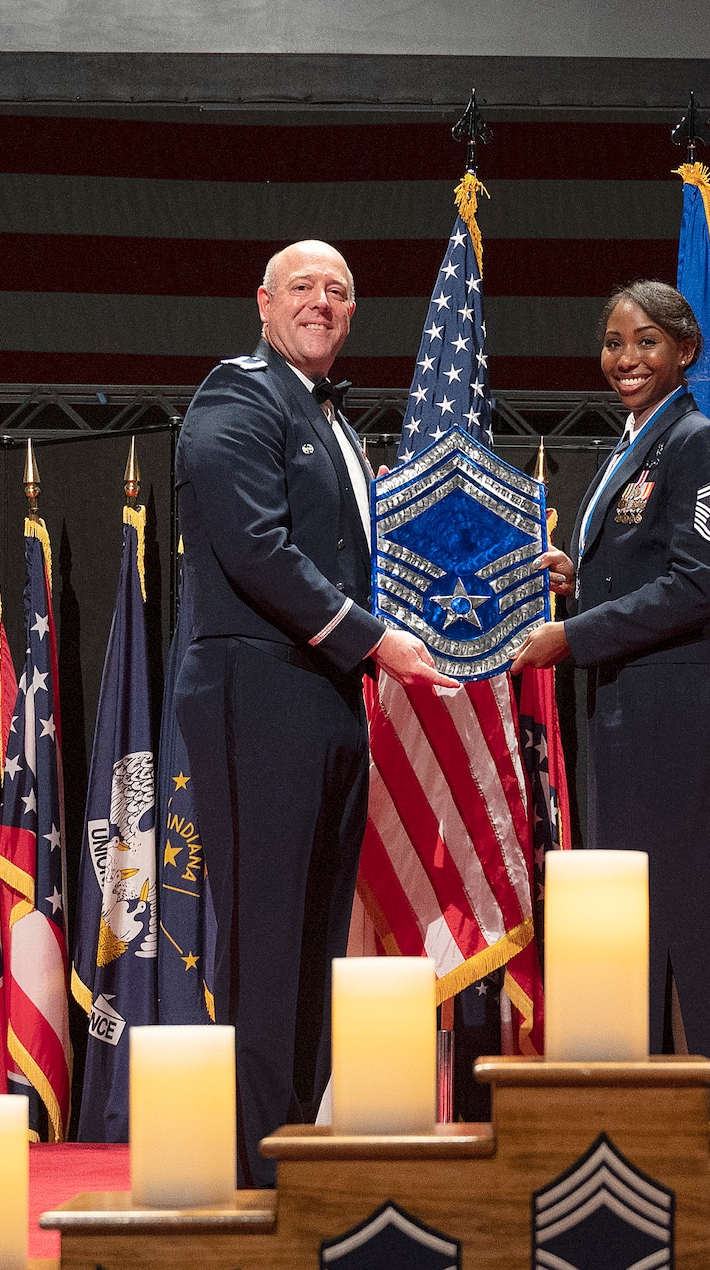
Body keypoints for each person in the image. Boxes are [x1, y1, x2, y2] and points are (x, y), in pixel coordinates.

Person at [174, 239, 454, 1185]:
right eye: (303, 288)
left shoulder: (328, 417)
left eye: (338, 293)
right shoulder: (236, 396)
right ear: (262, 302)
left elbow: (352, 559)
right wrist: (376, 641)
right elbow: (256, 550)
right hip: (258, 690)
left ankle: (292, 1144)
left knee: (312, 934)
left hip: (327, 695)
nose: (322, 304)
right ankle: (255, 1170)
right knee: (268, 933)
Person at [510, 280, 710, 1112]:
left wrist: (574, 635)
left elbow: (699, 583)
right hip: (631, 708)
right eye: (615, 342)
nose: (626, 359)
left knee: (702, 918)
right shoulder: (633, 446)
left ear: (685, 352)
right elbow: (650, 566)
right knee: (634, 922)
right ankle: (641, 1116)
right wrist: (578, 582)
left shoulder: (698, 441)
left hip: (686, 711)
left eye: (647, 341)